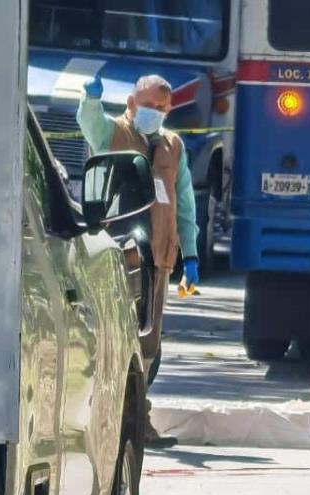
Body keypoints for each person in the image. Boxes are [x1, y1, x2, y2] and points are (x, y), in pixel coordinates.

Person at [77, 73, 199, 447]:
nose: (156, 113)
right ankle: (102, 420)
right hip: (117, 253)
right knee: (112, 336)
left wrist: (190, 255)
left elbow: (185, 204)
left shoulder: (173, 146)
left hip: (158, 257)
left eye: (162, 109)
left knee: (148, 344)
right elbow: (88, 123)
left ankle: (137, 420)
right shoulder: (111, 133)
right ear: (131, 104)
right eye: (148, 106)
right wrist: (91, 100)